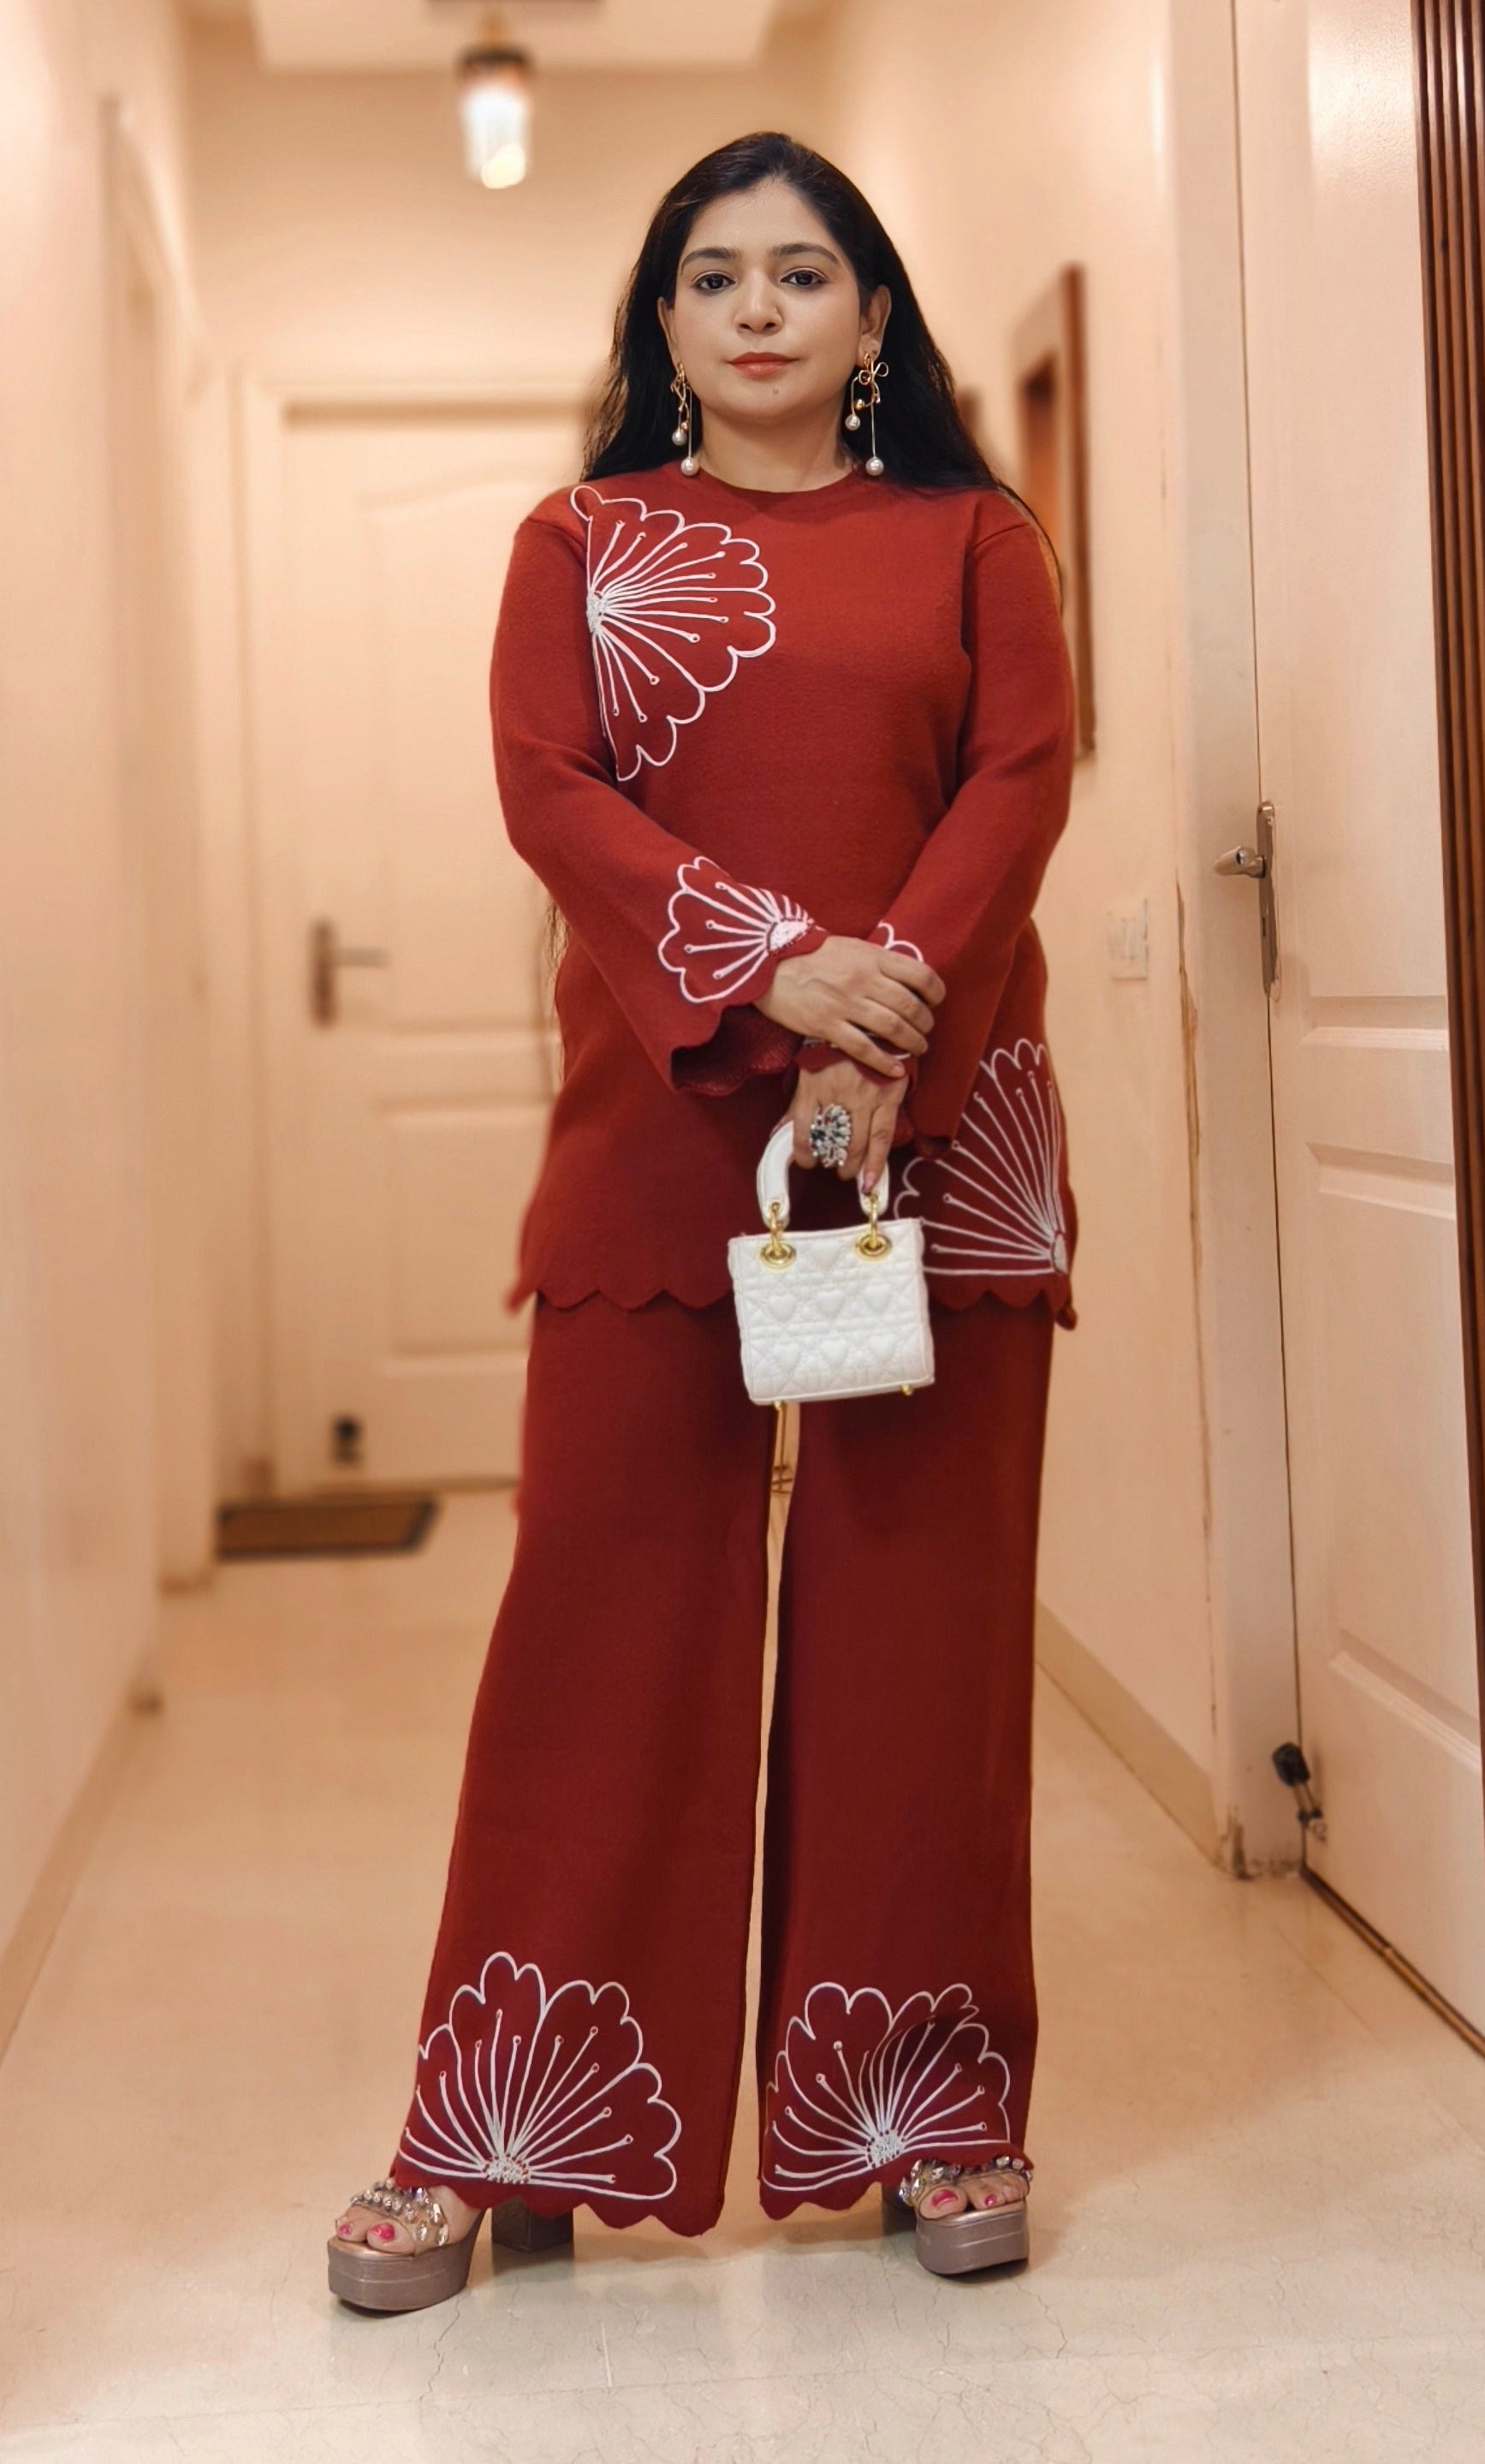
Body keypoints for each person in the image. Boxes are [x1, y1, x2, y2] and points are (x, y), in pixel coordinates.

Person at [327, 127, 1077, 2311]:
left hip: (940, 1121)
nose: (759, 307)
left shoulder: (977, 538)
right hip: (661, 1130)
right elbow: (549, 788)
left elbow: (1019, 780)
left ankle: (929, 2106)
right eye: (714, 274)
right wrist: (772, 965)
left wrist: (884, 1005)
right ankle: (507, 2121)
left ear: (871, 317)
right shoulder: (580, 541)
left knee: (923, 1629)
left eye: (804, 272)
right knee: (600, 1619)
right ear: (659, 319)